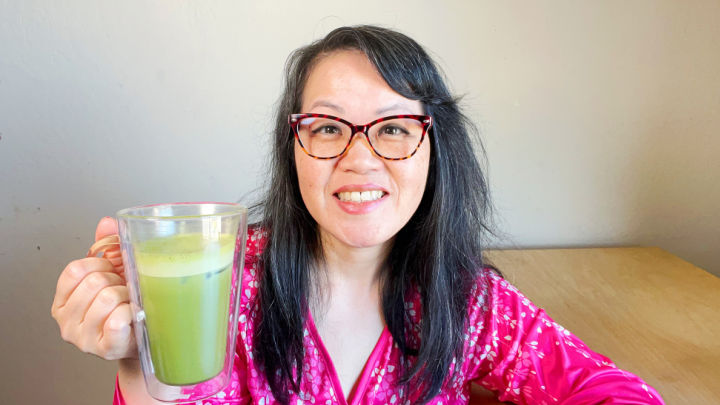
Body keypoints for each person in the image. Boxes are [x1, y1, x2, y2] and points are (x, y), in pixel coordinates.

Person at [51, 25, 664, 404]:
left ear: (434, 148)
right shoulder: (226, 285)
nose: (359, 158)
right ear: (293, 150)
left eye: (394, 127)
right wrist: (138, 353)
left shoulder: (469, 304)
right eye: (326, 126)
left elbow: (614, 392)